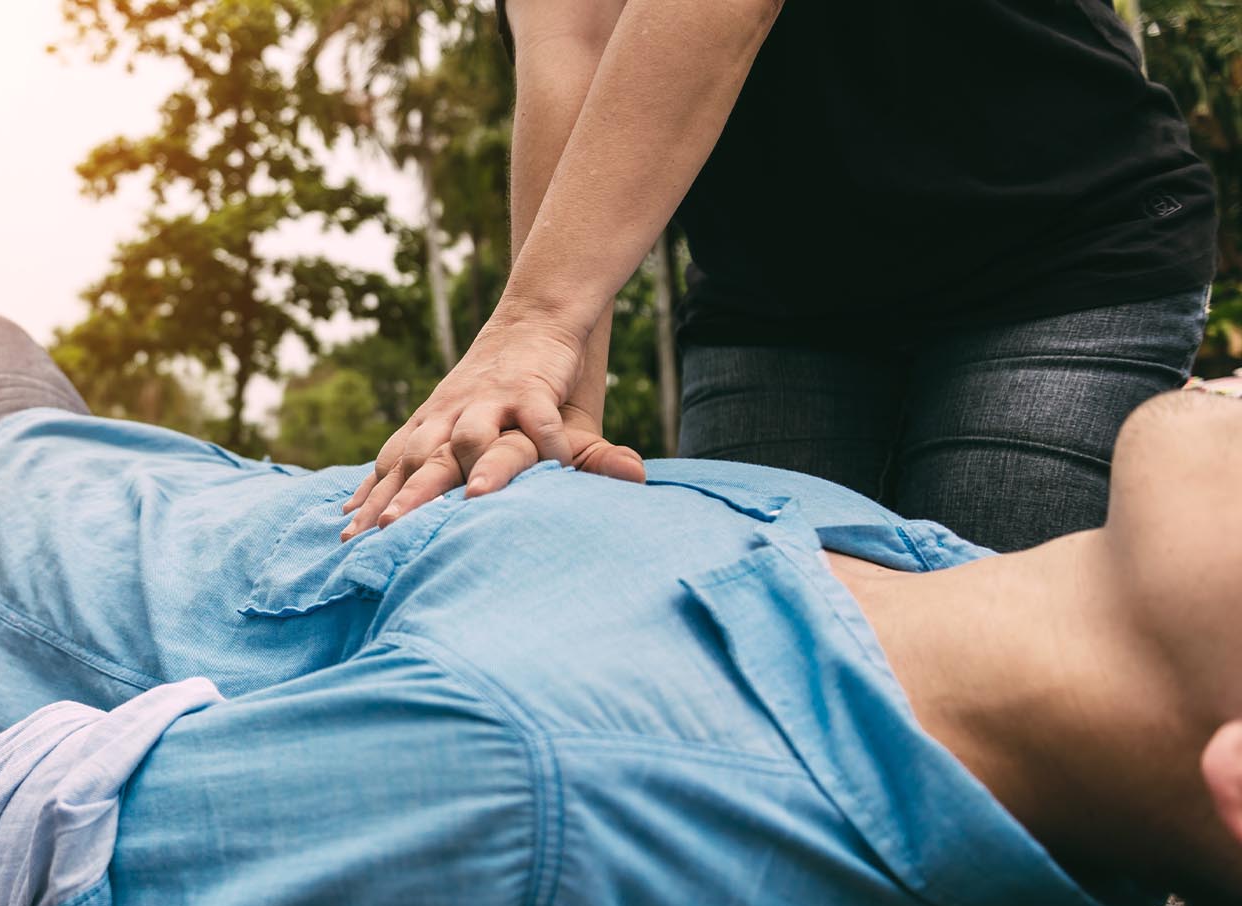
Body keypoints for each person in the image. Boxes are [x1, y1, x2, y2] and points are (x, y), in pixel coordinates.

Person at [0, 310, 1242, 906]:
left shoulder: (544, 795)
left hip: (55, 536)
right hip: (263, 492)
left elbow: (19, 836)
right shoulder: (925, 574)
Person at [343, 0, 1217, 554]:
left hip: (1057, 260)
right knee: (780, 660)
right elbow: (572, 38)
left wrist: (537, 321)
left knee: (987, 653)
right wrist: (561, 398)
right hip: (779, 303)